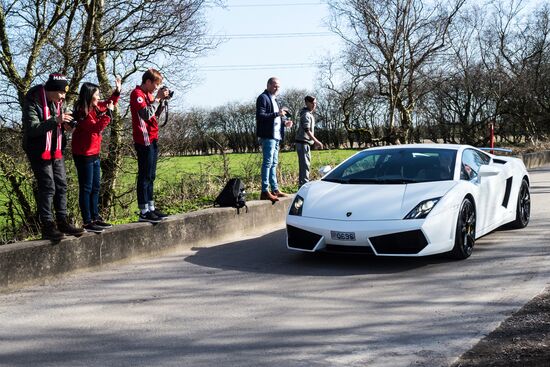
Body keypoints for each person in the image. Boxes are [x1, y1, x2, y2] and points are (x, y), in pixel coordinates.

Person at [22, 73, 85, 241]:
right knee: (48, 186)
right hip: (38, 150)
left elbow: (60, 123)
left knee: (62, 184)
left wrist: (67, 126)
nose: (64, 96)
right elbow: (33, 129)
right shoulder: (32, 100)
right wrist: (56, 120)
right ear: (52, 90)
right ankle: (47, 226)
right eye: (61, 92)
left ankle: (63, 222)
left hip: (56, 149)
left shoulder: (59, 103)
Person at [71, 78, 121, 233]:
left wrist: (117, 90)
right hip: (83, 154)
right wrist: (109, 114)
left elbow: (108, 102)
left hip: (94, 153)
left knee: (96, 187)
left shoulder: (95, 106)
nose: (99, 97)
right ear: (89, 95)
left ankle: (95, 217)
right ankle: (87, 221)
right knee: (86, 188)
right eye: (97, 94)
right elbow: (96, 128)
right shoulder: (81, 111)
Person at [130, 68, 170, 223]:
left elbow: (154, 116)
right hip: (143, 139)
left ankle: (151, 207)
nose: (157, 88)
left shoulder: (149, 94)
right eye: (156, 84)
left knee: (151, 175)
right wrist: (158, 99)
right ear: (147, 82)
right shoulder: (137, 94)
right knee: (144, 175)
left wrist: (162, 103)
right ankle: (143, 210)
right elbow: (145, 114)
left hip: (153, 137)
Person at [256, 77, 293, 202]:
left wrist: (285, 123)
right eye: (274, 85)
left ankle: (275, 189)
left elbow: (276, 119)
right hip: (268, 136)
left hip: (276, 136)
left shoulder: (275, 99)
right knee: (267, 163)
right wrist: (278, 114)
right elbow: (260, 116)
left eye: (278, 86)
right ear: (268, 85)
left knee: (274, 163)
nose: (276, 88)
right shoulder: (263, 98)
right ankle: (265, 191)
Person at [296, 95, 323, 187]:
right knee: (305, 166)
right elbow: (307, 130)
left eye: (315, 103)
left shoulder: (308, 114)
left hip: (306, 143)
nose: (314, 105)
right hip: (303, 143)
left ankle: (303, 184)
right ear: (307, 103)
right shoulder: (306, 115)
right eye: (312, 103)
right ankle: (303, 186)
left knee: (306, 165)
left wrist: (312, 142)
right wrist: (316, 141)